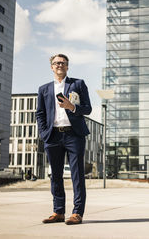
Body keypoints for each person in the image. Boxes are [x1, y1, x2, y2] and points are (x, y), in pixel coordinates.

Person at [36, 54, 92, 225]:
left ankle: (77, 213)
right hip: (52, 136)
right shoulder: (44, 89)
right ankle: (58, 211)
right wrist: (44, 133)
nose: (59, 65)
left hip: (74, 135)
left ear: (67, 66)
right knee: (56, 176)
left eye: (63, 63)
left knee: (77, 175)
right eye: (56, 63)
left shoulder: (78, 84)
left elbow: (87, 109)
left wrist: (72, 107)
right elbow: (40, 114)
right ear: (52, 67)